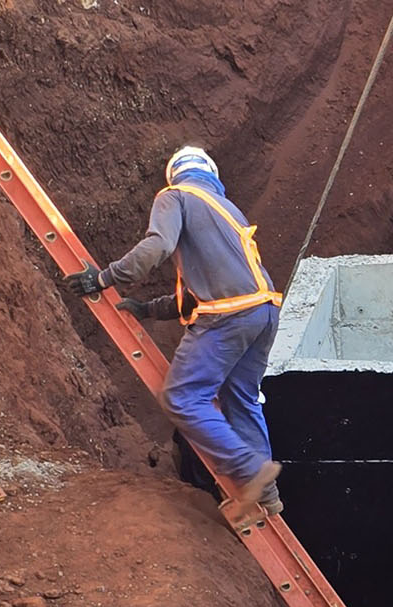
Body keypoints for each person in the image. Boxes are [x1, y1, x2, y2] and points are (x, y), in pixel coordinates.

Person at [63, 145, 284, 518]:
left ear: (174, 175)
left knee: (184, 398)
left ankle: (251, 472)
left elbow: (158, 245)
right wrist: (147, 309)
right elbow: (192, 298)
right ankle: (269, 495)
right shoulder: (225, 210)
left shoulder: (175, 196)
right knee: (241, 398)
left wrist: (103, 278)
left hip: (227, 317)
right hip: (263, 312)